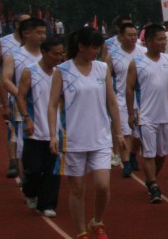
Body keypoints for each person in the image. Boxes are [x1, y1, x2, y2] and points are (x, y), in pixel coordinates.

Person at [48, 27, 126, 239]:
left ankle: (97, 221)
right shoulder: (62, 71)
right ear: (81, 47)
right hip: (73, 139)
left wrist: (119, 133)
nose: (97, 52)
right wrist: (53, 135)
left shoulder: (102, 69)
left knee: (102, 186)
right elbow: (53, 104)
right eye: (94, 47)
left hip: (100, 138)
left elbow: (111, 101)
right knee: (77, 190)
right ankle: (81, 231)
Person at [125, 24, 168, 204]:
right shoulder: (137, 63)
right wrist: (131, 113)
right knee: (148, 152)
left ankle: (151, 177)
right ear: (148, 41)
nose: (164, 42)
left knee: (161, 154)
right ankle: (153, 184)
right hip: (146, 115)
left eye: (165, 39)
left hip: (167, 114)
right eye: (160, 39)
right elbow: (130, 89)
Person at [15, 37, 64, 218]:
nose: (59, 57)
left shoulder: (61, 72)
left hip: (55, 131)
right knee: (33, 170)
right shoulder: (31, 72)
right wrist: (26, 119)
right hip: (34, 130)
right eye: (55, 54)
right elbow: (21, 97)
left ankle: (48, 204)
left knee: (53, 170)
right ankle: (30, 191)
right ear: (43, 52)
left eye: (61, 54)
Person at [2, 17, 48, 187]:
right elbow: (6, 79)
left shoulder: (48, 54)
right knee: (23, 148)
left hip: (45, 107)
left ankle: (41, 179)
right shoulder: (14, 56)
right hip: (22, 111)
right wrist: (21, 95)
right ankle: (26, 181)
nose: (42, 36)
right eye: (39, 32)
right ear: (26, 33)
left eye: (44, 33)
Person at [0, 13, 29, 179]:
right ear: (17, 25)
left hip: (31, 93)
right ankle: (13, 161)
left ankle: (24, 163)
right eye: (26, 23)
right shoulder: (4, 42)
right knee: (14, 127)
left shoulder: (35, 44)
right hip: (11, 90)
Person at [105, 22, 146, 176]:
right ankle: (126, 162)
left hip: (142, 100)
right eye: (129, 35)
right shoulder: (113, 55)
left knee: (138, 136)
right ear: (121, 37)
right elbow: (106, 77)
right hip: (121, 99)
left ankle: (133, 154)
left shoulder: (143, 52)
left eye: (135, 35)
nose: (133, 38)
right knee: (125, 132)